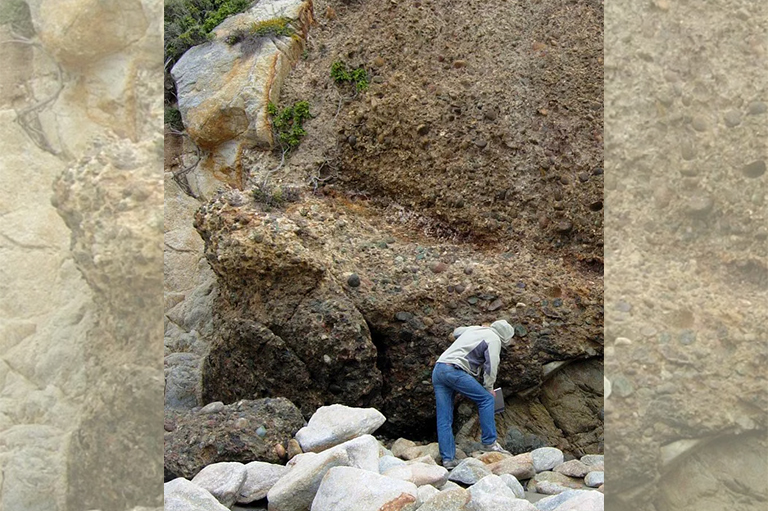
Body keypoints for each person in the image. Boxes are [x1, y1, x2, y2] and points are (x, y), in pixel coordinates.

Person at [432, 319, 514, 469]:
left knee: (444, 418)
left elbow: (456, 331)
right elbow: (491, 365)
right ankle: (489, 442)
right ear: (505, 338)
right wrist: (489, 387)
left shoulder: (474, 330)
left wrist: (475, 329)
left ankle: (448, 459)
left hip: (438, 369)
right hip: (453, 370)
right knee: (486, 399)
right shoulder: (494, 338)